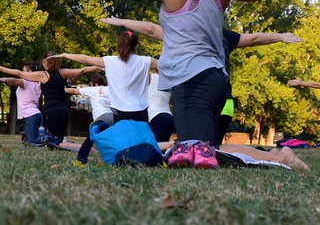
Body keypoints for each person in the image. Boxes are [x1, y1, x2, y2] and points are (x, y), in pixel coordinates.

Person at [36, 0, 320, 169]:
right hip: (214, 80)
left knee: (200, 149)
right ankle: (277, 156)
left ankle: (280, 157)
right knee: (196, 147)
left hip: (192, 82)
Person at [102, 17, 302, 144]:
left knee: (198, 145)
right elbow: (254, 39)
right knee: (213, 146)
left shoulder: (187, 35)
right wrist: (280, 36)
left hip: (198, 96)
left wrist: (122, 22)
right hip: (225, 99)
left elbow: (153, 30)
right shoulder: (225, 36)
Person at [47, 31, 158, 123]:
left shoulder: (110, 61)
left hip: (120, 111)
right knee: (139, 141)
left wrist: (65, 54)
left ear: (119, 46)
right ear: (136, 46)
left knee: (124, 143)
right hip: (141, 110)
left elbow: (85, 59)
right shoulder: (146, 61)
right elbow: (168, 65)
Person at [0, 53, 100, 147]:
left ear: (45, 62)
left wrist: (2, 68)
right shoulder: (63, 72)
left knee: (53, 142)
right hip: (63, 111)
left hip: (53, 111)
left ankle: (77, 146)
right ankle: (69, 143)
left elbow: (19, 73)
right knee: (58, 140)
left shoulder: (43, 75)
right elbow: (82, 70)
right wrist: (98, 66)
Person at [65, 73, 114, 166]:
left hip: (101, 117)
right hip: (112, 116)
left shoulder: (92, 89)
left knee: (90, 138)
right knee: (109, 139)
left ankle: (81, 160)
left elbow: (74, 91)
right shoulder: (109, 89)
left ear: (93, 83)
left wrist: (59, 89)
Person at [0, 62, 46, 146]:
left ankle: (50, 138)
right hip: (35, 114)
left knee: (32, 141)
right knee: (28, 140)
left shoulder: (26, 82)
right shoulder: (38, 84)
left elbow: (14, 81)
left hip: (30, 115)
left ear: (30, 72)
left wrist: (2, 79)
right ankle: (45, 136)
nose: (22, 73)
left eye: (24, 71)